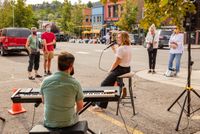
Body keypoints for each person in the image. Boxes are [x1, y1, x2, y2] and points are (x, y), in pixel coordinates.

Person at [40, 51, 84, 128]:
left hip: (49, 122)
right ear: (71, 66)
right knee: (75, 116)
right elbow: (80, 106)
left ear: (58, 65)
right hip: (68, 123)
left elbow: (43, 101)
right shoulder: (75, 83)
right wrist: (74, 112)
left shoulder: (45, 81)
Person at [93, 31, 132, 111]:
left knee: (104, 84)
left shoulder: (121, 48)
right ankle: (121, 85)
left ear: (123, 38)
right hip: (127, 68)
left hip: (120, 69)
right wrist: (113, 49)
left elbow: (117, 62)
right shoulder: (128, 47)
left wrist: (110, 70)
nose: (117, 38)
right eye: (117, 37)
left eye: (119, 37)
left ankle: (100, 106)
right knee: (109, 82)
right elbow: (119, 56)